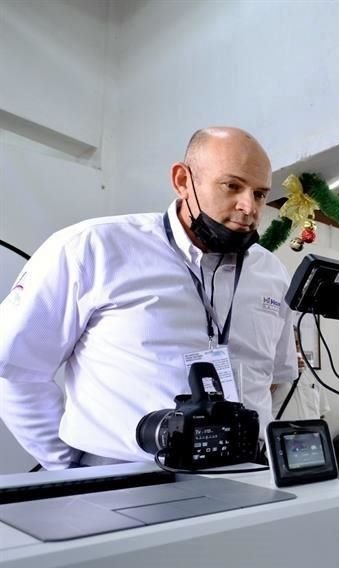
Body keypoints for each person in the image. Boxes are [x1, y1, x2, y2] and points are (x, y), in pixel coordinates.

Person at [0, 127, 297, 469]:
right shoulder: (92, 247)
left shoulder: (271, 272)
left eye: (260, 194)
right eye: (232, 186)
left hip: (248, 476)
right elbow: (15, 369)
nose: (249, 206)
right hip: (125, 475)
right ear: (182, 180)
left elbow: (273, 376)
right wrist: (70, 467)